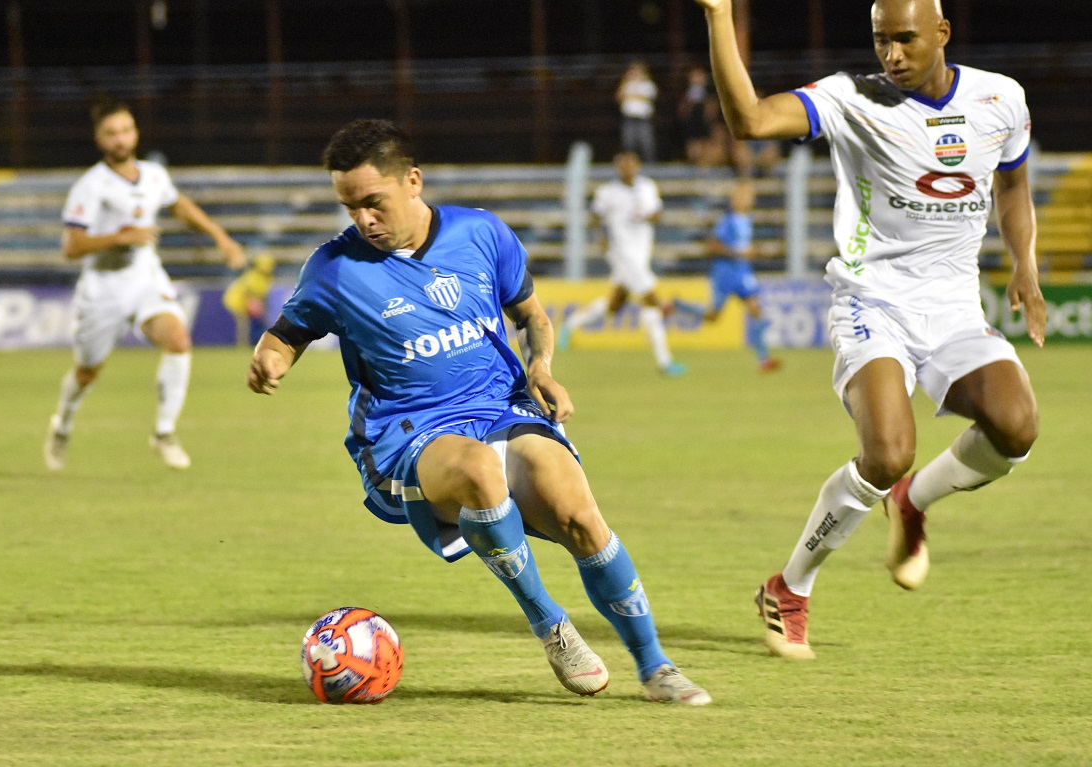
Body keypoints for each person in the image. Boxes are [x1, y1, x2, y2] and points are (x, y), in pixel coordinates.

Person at [247, 119, 710, 705]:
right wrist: (270, 358)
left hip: (500, 406)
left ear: (412, 181)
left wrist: (540, 368)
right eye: (349, 207)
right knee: (478, 473)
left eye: (373, 203)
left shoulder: (482, 234)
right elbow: (287, 334)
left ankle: (656, 666)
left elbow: (533, 317)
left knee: (579, 514)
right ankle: (550, 622)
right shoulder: (335, 269)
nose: (362, 220)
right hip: (408, 432)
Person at [693, 0, 1046, 659]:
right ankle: (789, 587)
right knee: (886, 453)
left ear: (942, 34)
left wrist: (1025, 266)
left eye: (906, 40)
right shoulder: (851, 97)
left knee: (1017, 425)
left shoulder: (1002, 98)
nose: (892, 55)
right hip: (871, 300)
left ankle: (913, 502)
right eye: (881, 41)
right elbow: (748, 122)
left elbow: (1015, 183)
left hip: (954, 310)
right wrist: (718, 17)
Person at [44, 100, 247, 471]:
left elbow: (179, 206)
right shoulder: (91, 186)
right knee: (87, 371)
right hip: (103, 290)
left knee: (178, 340)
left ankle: (164, 432)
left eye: (126, 130)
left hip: (145, 279)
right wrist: (120, 237)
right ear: (99, 140)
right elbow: (71, 247)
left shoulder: (153, 174)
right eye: (112, 133)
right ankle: (62, 425)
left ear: (135, 132)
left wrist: (220, 236)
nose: (121, 139)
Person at [558, 150, 686, 376]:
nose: (627, 168)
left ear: (637, 165)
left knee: (613, 307)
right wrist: (602, 240)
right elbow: (594, 217)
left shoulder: (647, 187)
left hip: (642, 253)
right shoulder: (607, 192)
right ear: (618, 166)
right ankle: (665, 362)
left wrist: (647, 215)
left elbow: (658, 215)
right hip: (623, 253)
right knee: (652, 302)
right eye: (623, 164)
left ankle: (570, 324)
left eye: (631, 163)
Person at [675, 180, 780, 372]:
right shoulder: (728, 220)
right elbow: (712, 246)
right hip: (724, 272)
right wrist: (739, 253)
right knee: (713, 316)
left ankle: (763, 360)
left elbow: (742, 247)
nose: (749, 199)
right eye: (744, 195)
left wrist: (754, 251)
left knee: (756, 310)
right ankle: (678, 305)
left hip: (742, 271)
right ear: (734, 199)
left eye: (750, 196)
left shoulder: (746, 219)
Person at [224, 252, 278, 346]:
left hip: (245, 301)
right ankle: (244, 345)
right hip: (237, 302)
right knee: (244, 325)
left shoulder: (262, 277)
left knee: (249, 324)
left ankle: (250, 343)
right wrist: (251, 305)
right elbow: (249, 295)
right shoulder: (253, 277)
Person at [615, 62, 658, 163]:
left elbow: (648, 97)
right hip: (629, 118)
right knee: (628, 144)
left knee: (647, 144)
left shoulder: (648, 84)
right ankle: (629, 164)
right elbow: (618, 97)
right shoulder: (627, 84)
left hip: (643, 119)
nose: (635, 74)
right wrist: (625, 82)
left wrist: (632, 95)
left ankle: (650, 165)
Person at [676, 66, 718, 166]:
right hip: (690, 135)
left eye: (700, 76)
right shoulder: (683, 97)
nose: (697, 79)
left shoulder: (711, 97)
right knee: (695, 152)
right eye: (694, 76)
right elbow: (682, 117)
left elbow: (712, 118)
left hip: (707, 135)